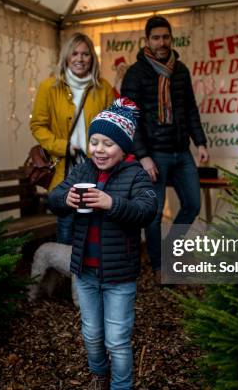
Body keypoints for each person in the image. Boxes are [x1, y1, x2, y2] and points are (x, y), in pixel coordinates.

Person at [48, 98, 157, 390]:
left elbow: (147, 211)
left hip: (119, 275)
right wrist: (65, 199)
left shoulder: (135, 175)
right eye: (94, 141)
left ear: (123, 147)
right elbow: (54, 197)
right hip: (85, 271)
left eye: (107, 143)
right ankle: (99, 371)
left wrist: (112, 203)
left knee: (118, 339)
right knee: (92, 333)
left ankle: (121, 386)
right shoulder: (83, 171)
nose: (98, 149)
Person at [121, 16, 209, 283]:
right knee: (154, 213)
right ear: (147, 40)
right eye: (156, 37)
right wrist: (143, 156)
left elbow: (190, 108)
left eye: (166, 37)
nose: (161, 42)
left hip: (181, 151)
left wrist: (201, 142)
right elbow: (129, 118)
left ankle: (170, 248)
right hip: (153, 154)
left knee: (193, 203)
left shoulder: (180, 70)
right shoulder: (135, 74)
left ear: (171, 39)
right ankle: (160, 266)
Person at [30, 33, 114, 245]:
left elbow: (113, 126)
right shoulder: (49, 87)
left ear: (92, 59)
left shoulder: (103, 88)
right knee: (66, 229)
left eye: (86, 54)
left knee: (95, 228)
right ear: (66, 56)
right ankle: (66, 276)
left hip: (97, 167)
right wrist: (63, 146)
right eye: (75, 53)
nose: (80, 58)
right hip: (64, 171)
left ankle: (90, 276)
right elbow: (37, 125)